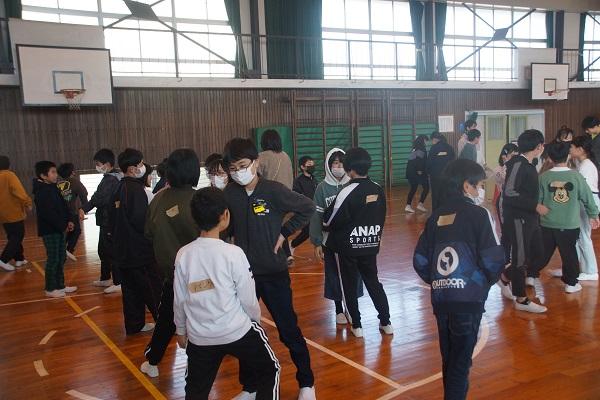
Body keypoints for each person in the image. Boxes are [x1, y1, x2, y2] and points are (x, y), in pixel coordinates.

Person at [223, 138, 316, 400]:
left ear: (255, 162)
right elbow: (226, 227)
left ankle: (307, 383)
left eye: (243, 166)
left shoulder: (273, 190)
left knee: (288, 330)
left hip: (274, 274)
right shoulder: (229, 194)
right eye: (233, 169)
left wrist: (285, 232)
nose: (238, 172)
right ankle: (250, 387)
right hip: (243, 277)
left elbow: (307, 207)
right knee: (244, 332)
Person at [174, 187, 280, 400]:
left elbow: (180, 299)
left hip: (200, 337)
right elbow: (248, 297)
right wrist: (255, 320)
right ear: (225, 216)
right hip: (237, 331)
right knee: (270, 370)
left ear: (194, 218)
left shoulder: (183, 255)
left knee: (195, 391)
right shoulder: (233, 253)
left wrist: (181, 330)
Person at [413, 158, 505, 400]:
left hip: (442, 300)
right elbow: (494, 259)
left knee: (450, 358)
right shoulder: (479, 215)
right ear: (467, 186)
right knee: (461, 363)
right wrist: (479, 284)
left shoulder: (436, 217)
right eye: (480, 185)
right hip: (468, 300)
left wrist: (439, 281)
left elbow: (420, 260)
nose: (481, 190)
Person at [141, 149, 201, 378]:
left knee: (166, 319)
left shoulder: (158, 199)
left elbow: (148, 234)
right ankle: (198, 366)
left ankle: (153, 361)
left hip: (172, 275)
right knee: (201, 319)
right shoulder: (200, 200)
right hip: (202, 275)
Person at [323, 147, 392, 338]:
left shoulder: (347, 191)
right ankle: (386, 322)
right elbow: (382, 216)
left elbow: (328, 220)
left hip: (347, 247)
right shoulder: (378, 189)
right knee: (373, 282)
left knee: (349, 285)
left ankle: (357, 325)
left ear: (349, 169)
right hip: (370, 244)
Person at [528, 142, 599, 294]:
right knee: (569, 254)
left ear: (550, 158)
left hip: (547, 223)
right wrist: (593, 215)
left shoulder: (544, 177)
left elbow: (537, 200)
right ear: (567, 157)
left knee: (543, 253)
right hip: (569, 224)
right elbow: (588, 198)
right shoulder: (576, 176)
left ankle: (531, 275)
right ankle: (571, 284)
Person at [309, 148, 363, 324]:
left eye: (341, 163)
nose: (338, 167)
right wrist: (317, 242)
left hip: (351, 240)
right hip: (330, 241)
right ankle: (339, 308)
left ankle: (352, 307)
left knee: (353, 274)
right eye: (335, 163)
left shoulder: (353, 185)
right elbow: (316, 216)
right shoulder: (322, 188)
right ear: (328, 165)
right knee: (334, 275)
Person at [111, 148, 162, 335]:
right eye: (140, 163)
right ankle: (165, 325)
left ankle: (135, 324)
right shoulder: (135, 190)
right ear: (132, 169)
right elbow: (142, 222)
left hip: (123, 251)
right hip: (139, 251)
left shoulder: (118, 187)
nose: (143, 167)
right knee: (153, 289)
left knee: (131, 290)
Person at [498, 130, 547, 313]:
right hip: (519, 219)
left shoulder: (528, 164)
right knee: (520, 258)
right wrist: (535, 206)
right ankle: (521, 299)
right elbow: (509, 192)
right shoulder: (518, 163)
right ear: (539, 147)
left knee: (538, 254)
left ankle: (505, 276)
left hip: (530, 218)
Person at [33, 161, 77, 297]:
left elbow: (64, 206)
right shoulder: (41, 191)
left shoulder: (53, 187)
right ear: (43, 176)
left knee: (61, 257)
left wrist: (69, 220)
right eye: (52, 172)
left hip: (59, 229)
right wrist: (62, 225)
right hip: (50, 230)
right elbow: (48, 214)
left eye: (55, 171)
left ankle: (60, 285)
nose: (55, 174)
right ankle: (50, 288)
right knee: (53, 259)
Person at [82, 149, 122, 294]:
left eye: (98, 164)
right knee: (103, 251)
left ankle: (118, 282)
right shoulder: (109, 177)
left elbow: (99, 198)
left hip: (109, 221)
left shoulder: (111, 179)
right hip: (105, 221)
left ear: (107, 164)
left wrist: (84, 209)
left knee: (112, 252)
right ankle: (105, 278)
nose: (97, 167)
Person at [569, 136, 600, 281]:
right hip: (586, 200)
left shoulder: (587, 165)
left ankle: (591, 271)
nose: (570, 149)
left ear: (580, 149)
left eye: (572, 147)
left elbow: (584, 190)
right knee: (581, 236)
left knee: (583, 236)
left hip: (588, 200)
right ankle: (582, 268)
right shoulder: (583, 164)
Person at [0, 155, 32, 272]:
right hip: (13, 212)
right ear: (8, 165)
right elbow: (18, 191)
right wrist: (27, 202)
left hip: (2, 214)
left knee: (12, 236)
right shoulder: (9, 175)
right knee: (18, 236)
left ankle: (19, 258)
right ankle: (3, 259)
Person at [57, 163, 89, 261]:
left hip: (60, 213)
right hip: (71, 212)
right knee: (77, 231)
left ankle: (62, 249)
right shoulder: (75, 182)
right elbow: (84, 193)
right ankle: (68, 250)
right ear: (71, 172)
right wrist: (84, 208)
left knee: (70, 230)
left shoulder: (58, 183)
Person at [493, 143, 519, 262]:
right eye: (512, 155)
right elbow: (505, 181)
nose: (514, 158)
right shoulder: (499, 169)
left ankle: (516, 258)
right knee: (506, 231)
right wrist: (506, 164)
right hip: (504, 201)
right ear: (504, 155)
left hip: (516, 202)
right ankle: (506, 258)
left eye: (516, 155)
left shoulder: (517, 167)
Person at [290, 156, 318, 256]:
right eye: (309, 164)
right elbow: (296, 197)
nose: (312, 166)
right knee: (307, 231)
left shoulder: (314, 179)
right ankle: (292, 244)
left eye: (313, 164)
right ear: (302, 167)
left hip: (316, 209)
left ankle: (321, 250)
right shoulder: (298, 181)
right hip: (305, 211)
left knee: (318, 230)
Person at [427, 132, 455, 210]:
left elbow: (429, 162)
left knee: (435, 194)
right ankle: (445, 211)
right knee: (445, 193)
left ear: (435, 139)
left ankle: (436, 212)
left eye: (432, 140)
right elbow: (453, 160)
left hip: (435, 176)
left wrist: (428, 172)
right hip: (447, 175)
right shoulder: (449, 147)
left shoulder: (434, 148)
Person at [405, 135, 429, 213]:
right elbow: (419, 160)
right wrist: (420, 170)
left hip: (410, 172)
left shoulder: (414, 148)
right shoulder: (421, 148)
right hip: (417, 172)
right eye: (426, 140)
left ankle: (408, 205)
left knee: (413, 188)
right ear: (423, 140)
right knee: (426, 187)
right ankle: (420, 204)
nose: (426, 142)